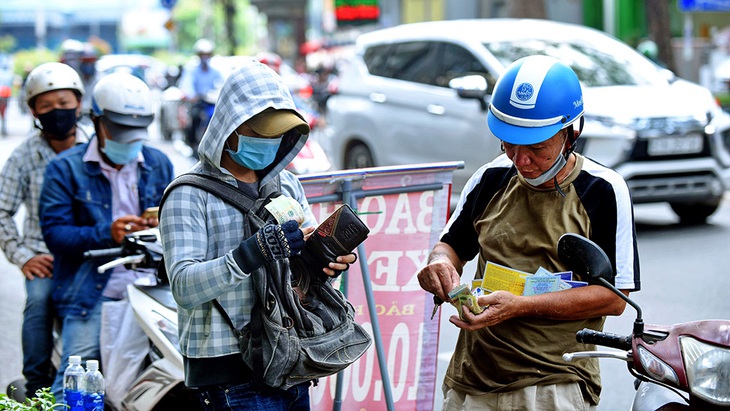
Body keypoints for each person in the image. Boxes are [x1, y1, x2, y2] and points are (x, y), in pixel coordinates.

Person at [417, 55, 640, 410]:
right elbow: (449, 248)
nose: (520, 160)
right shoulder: (490, 178)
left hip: (554, 382)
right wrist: (439, 265)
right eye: (509, 144)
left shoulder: (602, 190)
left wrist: (521, 307)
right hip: (472, 380)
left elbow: (614, 299)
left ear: (572, 132)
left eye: (536, 147)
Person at [159, 59, 356, 410]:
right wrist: (250, 253)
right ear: (230, 129)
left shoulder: (287, 185)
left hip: (291, 361)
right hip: (230, 378)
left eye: (280, 135)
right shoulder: (188, 194)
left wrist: (324, 261)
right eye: (263, 134)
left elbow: (300, 272)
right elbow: (184, 287)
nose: (272, 143)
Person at [39, 72, 174, 402]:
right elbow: (56, 235)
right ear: (96, 121)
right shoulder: (64, 168)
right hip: (91, 292)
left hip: (155, 287)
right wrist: (108, 233)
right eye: (119, 131)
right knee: (70, 388)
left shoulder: (159, 164)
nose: (128, 140)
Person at [0, 62, 91, 400]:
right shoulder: (24, 156)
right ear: (33, 111)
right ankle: (37, 387)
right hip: (46, 256)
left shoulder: (97, 147)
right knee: (38, 303)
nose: (57, 112)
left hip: (95, 253)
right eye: (47, 106)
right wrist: (24, 257)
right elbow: (2, 210)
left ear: (79, 104)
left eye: (64, 104)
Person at [178, 38, 224, 157]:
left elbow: (222, 84)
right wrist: (191, 96)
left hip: (211, 102)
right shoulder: (192, 70)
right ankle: (192, 142)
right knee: (194, 117)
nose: (205, 57)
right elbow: (187, 85)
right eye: (202, 54)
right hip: (197, 102)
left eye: (207, 54)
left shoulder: (216, 71)